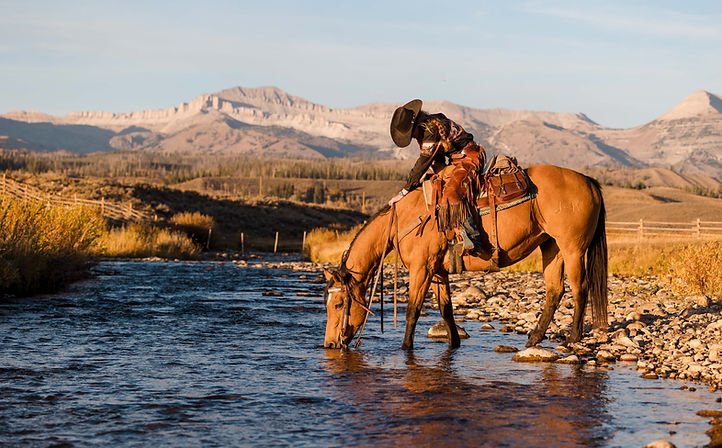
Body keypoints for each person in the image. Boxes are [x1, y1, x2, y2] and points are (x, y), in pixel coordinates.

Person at [388, 99, 490, 258]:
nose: (412, 138)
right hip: (456, 161)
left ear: (416, 127)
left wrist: (404, 191)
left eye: (410, 134)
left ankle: (475, 240)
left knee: (452, 193)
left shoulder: (431, 131)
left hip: (470, 158)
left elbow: (422, 163)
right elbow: (436, 160)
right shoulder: (427, 128)